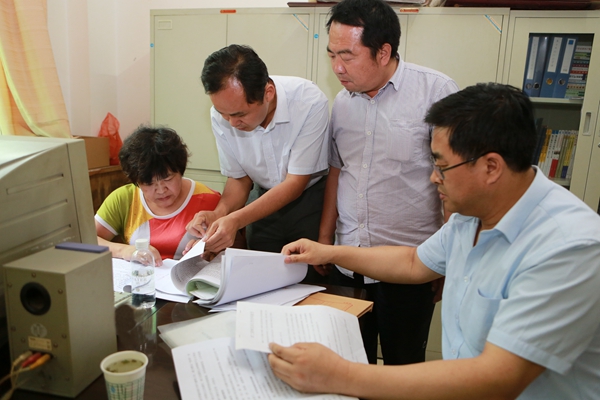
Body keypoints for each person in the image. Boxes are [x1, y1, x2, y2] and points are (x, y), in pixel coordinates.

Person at [268, 83, 600, 399]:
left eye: (442, 166)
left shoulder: (569, 247)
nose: (433, 177)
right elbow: (414, 263)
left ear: (491, 167)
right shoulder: (473, 214)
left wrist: (339, 374)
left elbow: (499, 380)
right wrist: (328, 251)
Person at [317, 0, 459, 365]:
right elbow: (338, 171)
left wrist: (447, 257)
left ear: (383, 52)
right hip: (348, 263)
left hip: (409, 268)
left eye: (347, 56)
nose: (337, 67)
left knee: (404, 367)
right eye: (332, 55)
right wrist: (325, 241)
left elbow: (453, 180)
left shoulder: (436, 92)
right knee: (348, 364)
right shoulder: (342, 103)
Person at [185, 44, 330, 282]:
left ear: (268, 93)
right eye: (223, 114)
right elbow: (239, 179)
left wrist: (235, 219)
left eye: (240, 114)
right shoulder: (223, 115)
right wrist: (218, 215)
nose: (231, 123)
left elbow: (295, 183)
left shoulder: (308, 102)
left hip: (309, 201)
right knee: (260, 280)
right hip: (260, 202)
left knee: (311, 280)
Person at [95, 125, 221, 264]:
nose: (161, 190)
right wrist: (124, 251)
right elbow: (86, 240)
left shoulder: (210, 200)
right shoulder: (124, 198)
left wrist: (211, 250)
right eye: (149, 184)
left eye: (168, 179)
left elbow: (230, 248)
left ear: (181, 171)